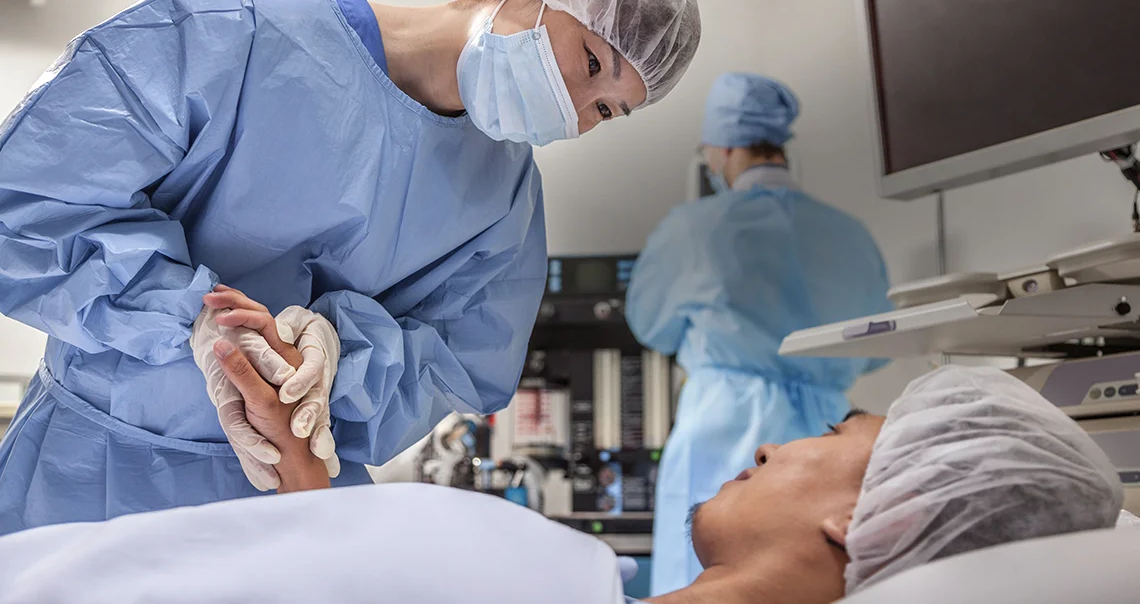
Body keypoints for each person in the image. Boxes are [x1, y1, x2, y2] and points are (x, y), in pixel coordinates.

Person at [0, 0, 701, 534]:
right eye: (588, 63)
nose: (577, 109)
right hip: (84, 473)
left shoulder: (504, 199)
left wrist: (336, 361)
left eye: (607, 111)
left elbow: (462, 360)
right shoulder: (229, 33)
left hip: (286, 507)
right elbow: (29, 201)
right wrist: (189, 319)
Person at [0, 365, 1123, 603]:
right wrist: (321, 503)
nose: (778, 445)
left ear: (884, 515)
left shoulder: (524, 566)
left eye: (836, 430)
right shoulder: (536, 568)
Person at [624, 71, 892, 593]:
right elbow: (875, 350)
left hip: (724, 420)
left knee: (708, 575)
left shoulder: (694, 227)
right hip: (828, 438)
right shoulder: (850, 233)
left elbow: (651, 325)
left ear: (721, 149)